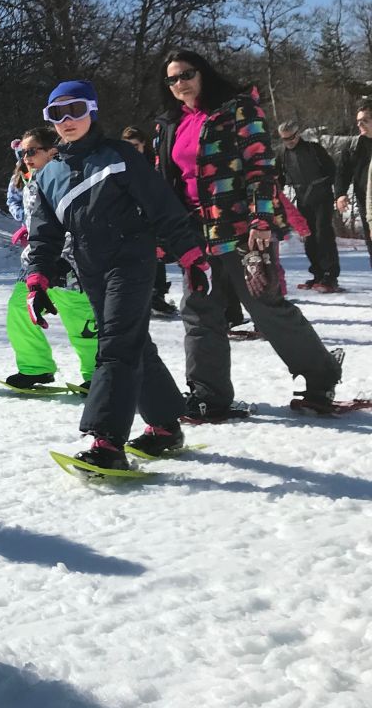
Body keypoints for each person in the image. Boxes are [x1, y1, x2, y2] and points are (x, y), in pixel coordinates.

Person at [25, 81, 206, 470]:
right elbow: (44, 235)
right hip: (90, 266)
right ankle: (165, 426)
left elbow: (162, 205)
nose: (67, 121)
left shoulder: (119, 155)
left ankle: (107, 440)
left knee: (116, 345)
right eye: (57, 114)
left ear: (92, 110)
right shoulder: (48, 176)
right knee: (133, 343)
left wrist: (191, 255)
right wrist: (37, 279)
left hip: (132, 258)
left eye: (75, 110)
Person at [153, 48, 343, 417]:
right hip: (195, 234)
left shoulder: (237, 109)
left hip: (239, 230)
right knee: (199, 311)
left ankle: (321, 376)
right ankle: (209, 394)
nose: (181, 84)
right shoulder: (169, 123)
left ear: (203, 73)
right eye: (172, 79)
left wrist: (262, 221)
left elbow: (261, 169)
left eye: (187, 74)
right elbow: (165, 183)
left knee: (264, 306)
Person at [3, 126, 97, 393]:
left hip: (70, 261)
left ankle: (97, 373)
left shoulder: (69, 178)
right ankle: (36, 368)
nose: (25, 158)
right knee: (20, 310)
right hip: (35, 260)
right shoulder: (30, 179)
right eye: (22, 153)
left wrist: (65, 256)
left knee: (79, 320)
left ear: (52, 151)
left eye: (32, 151)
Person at [275, 121, 340, 292]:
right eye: (284, 139)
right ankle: (317, 273)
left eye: (291, 138)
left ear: (298, 134)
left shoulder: (314, 148)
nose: (288, 142)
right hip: (303, 198)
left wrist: (335, 191)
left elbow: (332, 169)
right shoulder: (282, 154)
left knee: (323, 233)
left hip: (322, 196)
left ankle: (330, 275)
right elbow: (279, 177)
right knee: (308, 236)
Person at [121, 126, 177, 315]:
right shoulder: (120, 162)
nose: (132, 149)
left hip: (151, 215)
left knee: (156, 253)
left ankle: (156, 294)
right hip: (129, 216)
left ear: (143, 145)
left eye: (135, 145)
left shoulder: (152, 163)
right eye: (128, 146)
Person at [334, 100, 372, 268]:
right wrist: (340, 194)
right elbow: (342, 173)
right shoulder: (353, 147)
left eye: (365, 120)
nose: (360, 124)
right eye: (358, 121)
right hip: (367, 204)